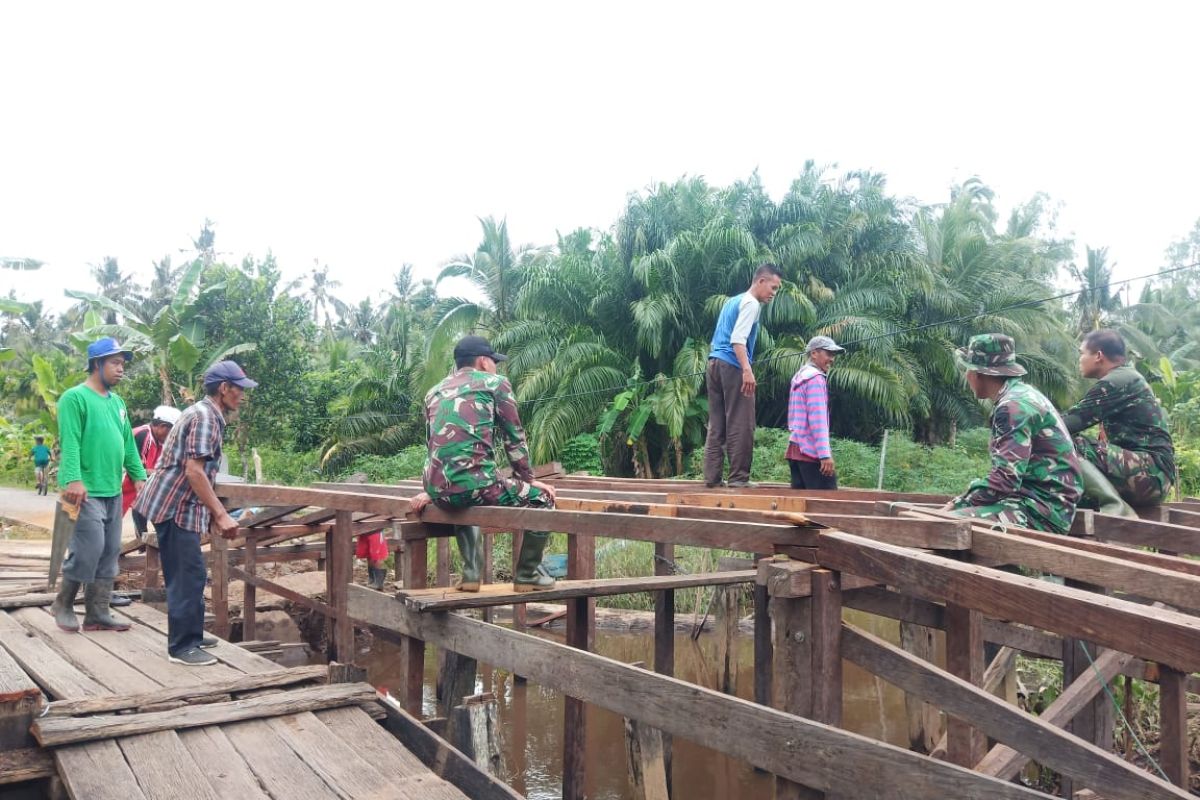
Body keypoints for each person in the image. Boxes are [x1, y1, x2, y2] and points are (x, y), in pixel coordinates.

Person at [409, 335, 558, 593]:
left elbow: (432, 444)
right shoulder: (495, 383)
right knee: (542, 500)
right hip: (478, 487)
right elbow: (515, 436)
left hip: (440, 490)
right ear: (482, 362)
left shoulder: (433, 392)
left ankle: (470, 574)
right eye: (494, 361)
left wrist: (432, 489)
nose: (496, 366)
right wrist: (529, 479)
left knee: (465, 495)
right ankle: (527, 575)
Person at [133, 361, 256, 666]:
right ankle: (182, 647)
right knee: (187, 574)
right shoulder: (205, 417)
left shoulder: (205, 413)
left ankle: (193, 634)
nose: (242, 395)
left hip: (177, 506)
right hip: (174, 506)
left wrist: (214, 512)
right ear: (224, 388)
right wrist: (222, 515)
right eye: (238, 389)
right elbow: (194, 472)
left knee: (191, 572)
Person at [50, 338, 147, 633]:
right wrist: (73, 480)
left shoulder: (117, 403)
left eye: (122, 364)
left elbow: (128, 444)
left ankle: (97, 613)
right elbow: (70, 442)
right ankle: (63, 604)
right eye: (115, 363)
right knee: (89, 549)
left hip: (112, 489)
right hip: (82, 490)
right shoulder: (74, 398)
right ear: (96, 364)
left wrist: (139, 475)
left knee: (108, 551)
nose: (121, 370)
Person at [944, 334, 1083, 534]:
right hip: (1043, 502)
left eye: (968, 369)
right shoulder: (1022, 394)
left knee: (944, 525)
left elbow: (1004, 479)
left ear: (978, 373)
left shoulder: (1012, 407)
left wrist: (956, 505)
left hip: (1041, 511)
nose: (966, 376)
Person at [1063, 329, 1175, 507]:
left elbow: (1068, 423)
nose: (1080, 359)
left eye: (1082, 353)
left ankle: (1114, 507)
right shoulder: (1125, 377)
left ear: (1098, 355)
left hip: (1152, 473)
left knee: (1068, 443)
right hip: (1151, 474)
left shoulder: (1118, 381)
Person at [703, 263, 784, 488]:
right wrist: (747, 370)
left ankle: (712, 479)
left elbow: (719, 336)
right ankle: (738, 479)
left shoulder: (732, 301)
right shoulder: (751, 304)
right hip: (733, 365)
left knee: (717, 424)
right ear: (760, 281)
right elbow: (738, 340)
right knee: (742, 423)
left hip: (714, 364)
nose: (773, 294)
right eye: (773, 287)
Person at [786, 335, 845, 489]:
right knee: (828, 505)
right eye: (828, 354)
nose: (832, 359)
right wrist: (825, 455)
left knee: (799, 506)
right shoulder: (815, 379)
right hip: (810, 452)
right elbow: (817, 420)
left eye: (833, 355)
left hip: (795, 447)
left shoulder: (799, 377)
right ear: (814, 353)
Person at [121, 405, 182, 537]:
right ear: (162, 426)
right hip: (120, 476)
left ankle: (154, 534)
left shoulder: (159, 441)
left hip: (136, 481)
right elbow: (136, 469)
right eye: (172, 432)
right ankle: (143, 534)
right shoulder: (144, 435)